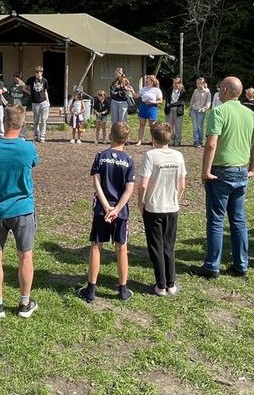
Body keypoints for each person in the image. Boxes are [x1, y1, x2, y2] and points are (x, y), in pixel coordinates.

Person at [199, 77, 254, 278]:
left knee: (216, 220)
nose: (218, 90)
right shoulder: (249, 114)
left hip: (220, 171)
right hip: (240, 170)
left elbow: (211, 144)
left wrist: (205, 171)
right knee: (238, 220)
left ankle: (212, 266)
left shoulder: (218, 112)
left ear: (225, 90)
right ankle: (241, 264)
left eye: (220, 87)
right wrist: (252, 168)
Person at [0, 105, 40, 319]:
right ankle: (24, 303)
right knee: (25, 255)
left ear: (3, 122)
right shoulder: (29, 148)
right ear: (22, 123)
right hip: (23, 208)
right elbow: (32, 165)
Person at [78, 122, 136, 303]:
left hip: (101, 210)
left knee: (96, 245)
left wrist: (106, 207)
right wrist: (117, 209)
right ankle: (123, 289)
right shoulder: (129, 160)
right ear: (127, 139)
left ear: (110, 136)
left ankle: (91, 289)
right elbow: (129, 189)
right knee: (122, 247)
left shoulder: (100, 156)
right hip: (120, 212)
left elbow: (96, 182)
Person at [138, 122, 186, 296]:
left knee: (155, 246)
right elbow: (182, 184)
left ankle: (160, 285)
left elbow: (143, 184)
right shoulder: (178, 156)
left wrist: (140, 202)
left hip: (153, 206)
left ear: (152, 138)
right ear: (170, 137)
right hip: (172, 207)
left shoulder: (151, 155)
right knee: (169, 245)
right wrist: (176, 199)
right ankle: (171, 284)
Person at [134, 75, 163, 146]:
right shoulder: (143, 89)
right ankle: (139, 141)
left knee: (152, 126)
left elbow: (160, 101)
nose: (146, 81)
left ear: (152, 81)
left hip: (152, 107)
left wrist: (152, 102)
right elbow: (136, 96)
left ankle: (153, 141)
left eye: (148, 80)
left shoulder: (157, 90)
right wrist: (131, 90)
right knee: (141, 124)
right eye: (146, 80)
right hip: (143, 106)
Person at [25, 66, 51, 143]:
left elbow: (46, 91)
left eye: (39, 72)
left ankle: (42, 136)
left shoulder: (45, 80)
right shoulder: (31, 79)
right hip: (35, 103)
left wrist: (48, 101)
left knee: (44, 120)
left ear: (41, 72)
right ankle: (36, 135)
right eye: (36, 72)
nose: (37, 73)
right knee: (36, 120)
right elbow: (24, 88)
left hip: (43, 102)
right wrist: (30, 93)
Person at [189, 77, 212, 147]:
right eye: (196, 83)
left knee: (199, 127)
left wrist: (203, 109)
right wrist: (191, 108)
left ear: (203, 83)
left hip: (201, 112)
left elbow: (208, 103)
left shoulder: (207, 92)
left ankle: (200, 141)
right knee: (195, 127)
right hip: (194, 110)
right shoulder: (195, 91)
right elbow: (192, 100)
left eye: (198, 83)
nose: (197, 85)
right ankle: (196, 141)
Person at [165, 77, 185, 147]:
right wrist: (167, 108)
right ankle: (170, 140)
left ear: (180, 84)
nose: (174, 84)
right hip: (169, 110)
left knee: (178, 126)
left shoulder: (182, 91)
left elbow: (181, 102)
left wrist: (171, 104)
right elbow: (167, 100)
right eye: (173, 83)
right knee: (169, 126)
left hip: (178, 110)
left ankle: (177, 140)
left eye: (176, 83)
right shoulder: (169, 90)